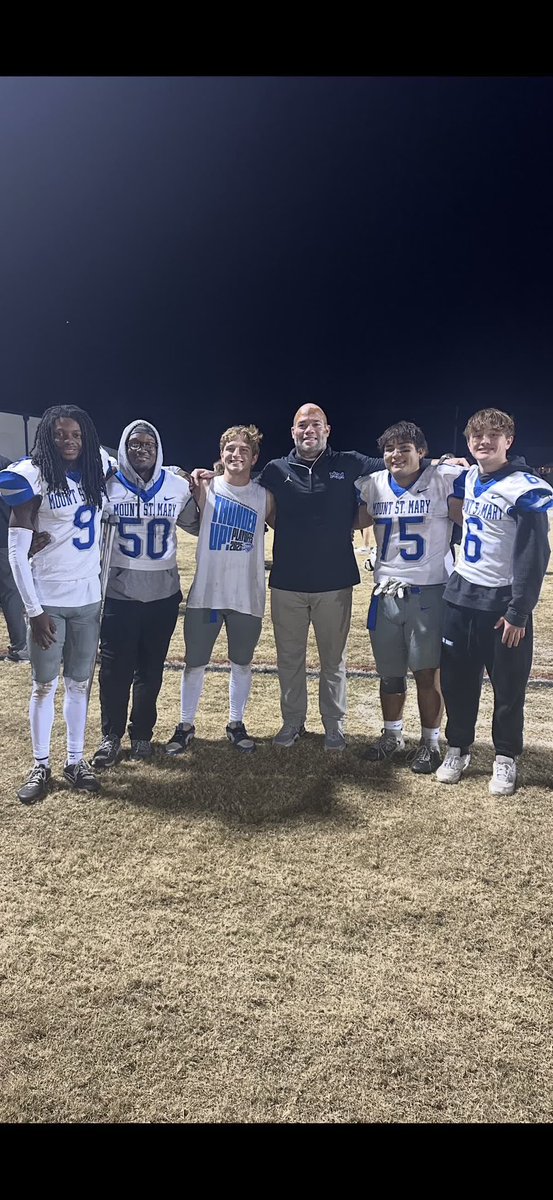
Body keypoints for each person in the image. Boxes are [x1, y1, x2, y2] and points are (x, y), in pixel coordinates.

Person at [436, 408, 553, 795]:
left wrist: (519, 610)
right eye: (476, 437)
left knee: (508, 687)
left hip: (503, 604)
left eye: (492, 436)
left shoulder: (525, 486)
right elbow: (433, 471)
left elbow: (535, 554)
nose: (483, 442)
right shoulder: (468, 476)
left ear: (509, 440)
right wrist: (442, 460)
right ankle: (458, 748)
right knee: (456, 682)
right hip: (461, 596)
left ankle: (505, 757)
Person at [0, 405, 113, 804]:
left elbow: (125, 468)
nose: (69, 441)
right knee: (44, 686)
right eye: (61, 434)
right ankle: (41, 763)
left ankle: (75, 760)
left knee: (79, 684)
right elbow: (16, 553)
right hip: (48, 598)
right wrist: (34, 610)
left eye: (76, 434)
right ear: (47, 435)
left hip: (87, 598)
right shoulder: (32, 475)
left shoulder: (98, 463)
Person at [355, 421, 463, 774]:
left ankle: (430, 742)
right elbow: (353, 520)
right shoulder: (373, 485)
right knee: (389, 674)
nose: (395, 454)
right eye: (389, 449)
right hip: (385, 592)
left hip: (428, 592)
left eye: (404, 448)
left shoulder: (444, 478)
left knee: (427, 673)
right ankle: (392, 735)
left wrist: (454, 464)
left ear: (422, 452)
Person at [91, 421, 200, 769]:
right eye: (134, 444)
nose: (142, 450)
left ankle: (142, 735)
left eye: (149, 444)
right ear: (123, 447)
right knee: (114, 670)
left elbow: (196, 525)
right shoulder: (107, 485)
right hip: (119, 594)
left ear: (159, 449)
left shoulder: (176, 486)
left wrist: (200, 489)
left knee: (151, 670)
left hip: (163, 594)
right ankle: (111, 736)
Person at [165, 425, 272, 756]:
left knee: (241, 662)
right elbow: (169, 475)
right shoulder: (204, 487)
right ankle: (185, 725)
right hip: (207, 594)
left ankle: (235, 723)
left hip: (247, 594)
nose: (236, 454)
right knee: (194, 662)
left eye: (244, 450)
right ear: (221, 453)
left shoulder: (265, 497)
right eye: (230, 448)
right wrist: (192, 478)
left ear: (254, 457)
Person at [0, 452, 29, 661]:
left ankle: (20, 644)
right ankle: (20, 644)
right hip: (4, 537)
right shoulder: (7, 466)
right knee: (11, 593)